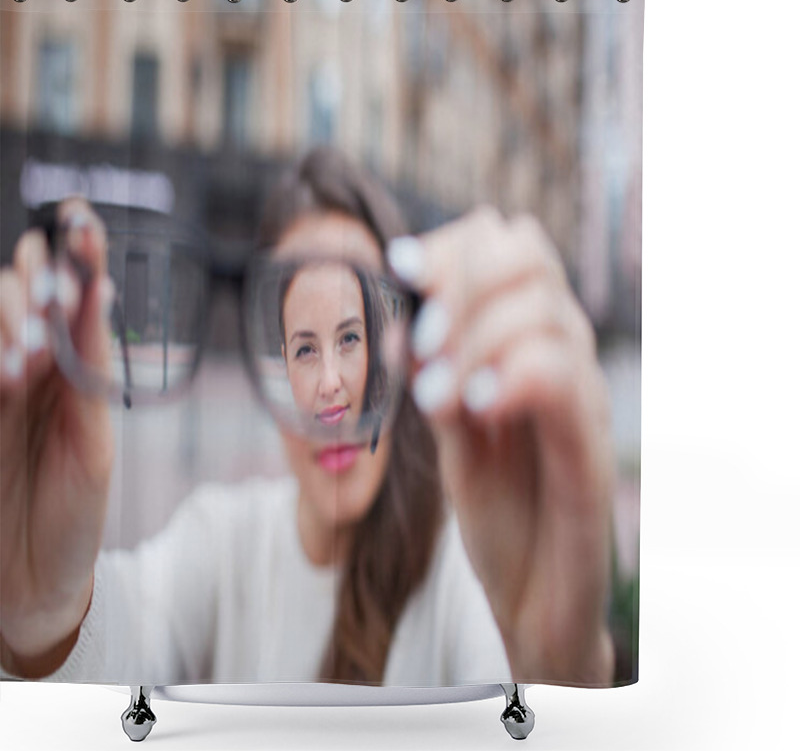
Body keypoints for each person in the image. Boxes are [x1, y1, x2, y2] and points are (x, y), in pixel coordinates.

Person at [0, 147, 615, 687]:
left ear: (398, 347)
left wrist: (557, 672)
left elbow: (513, 688)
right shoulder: (223, 545)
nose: (330, 388)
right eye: (303, 348)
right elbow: (125, 638)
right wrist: (47, 620)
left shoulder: (468, 572)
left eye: (351, 338)